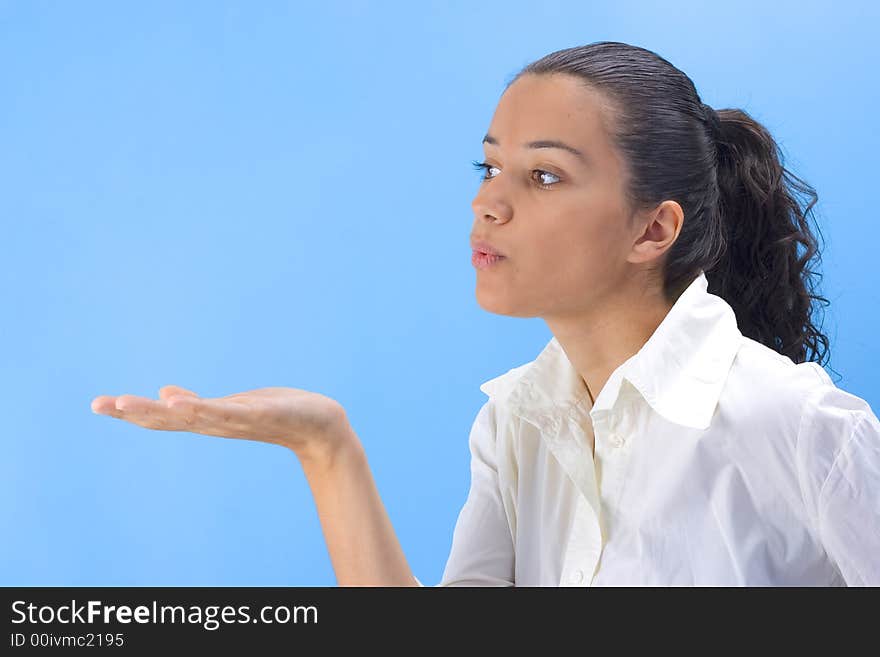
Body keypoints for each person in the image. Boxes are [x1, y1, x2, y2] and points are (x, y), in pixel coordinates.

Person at [91, 41, 879, 586]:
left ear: (654, 229)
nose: (487, 202)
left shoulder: (803, 427)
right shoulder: (514, 424)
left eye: (542, 176)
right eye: (491, 163)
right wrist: (324, 445)